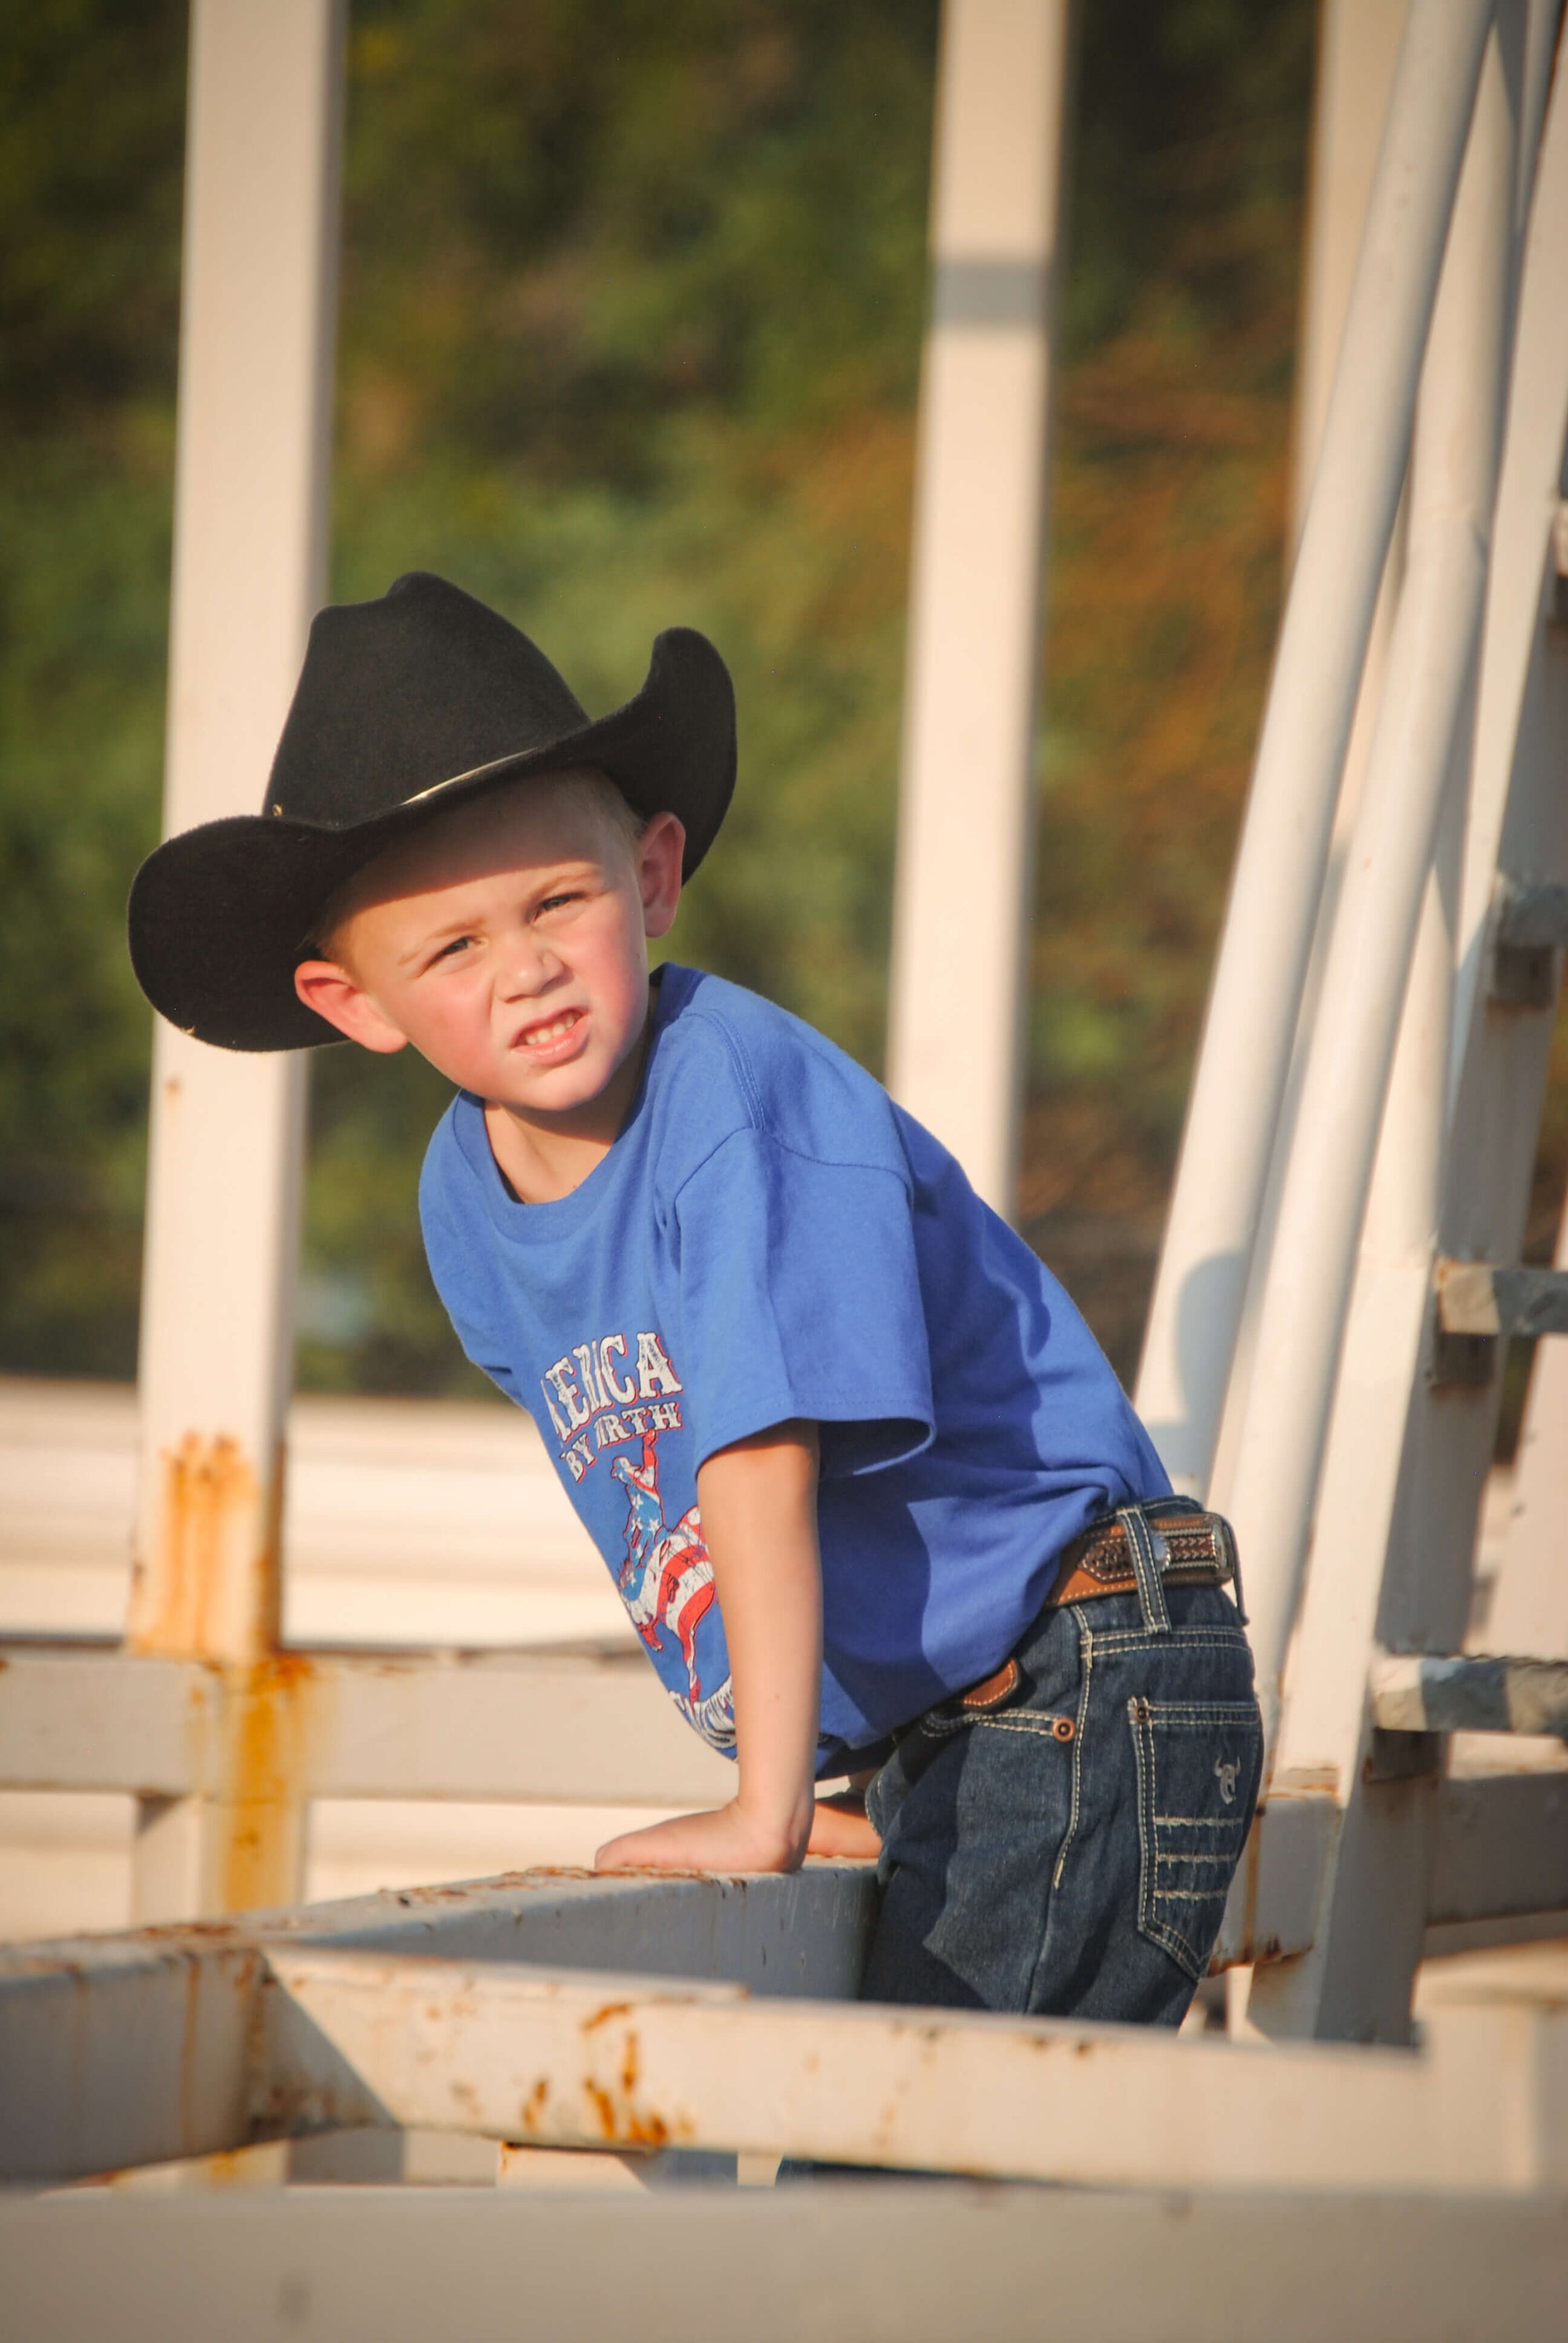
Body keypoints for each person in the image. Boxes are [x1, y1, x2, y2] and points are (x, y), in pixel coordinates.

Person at [129, 570, 1261, 2022]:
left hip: (1079, 1674)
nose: (526, 967)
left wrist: (762, 1804)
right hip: (952, 1735)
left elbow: (752, 1456)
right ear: (356, 1004)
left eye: (558, 900)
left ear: (651, 879)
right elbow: (643, 1481)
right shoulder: (460, 1200)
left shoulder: (728, 1096)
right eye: (451, 947)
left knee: (900, 2201)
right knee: (895, 2184)